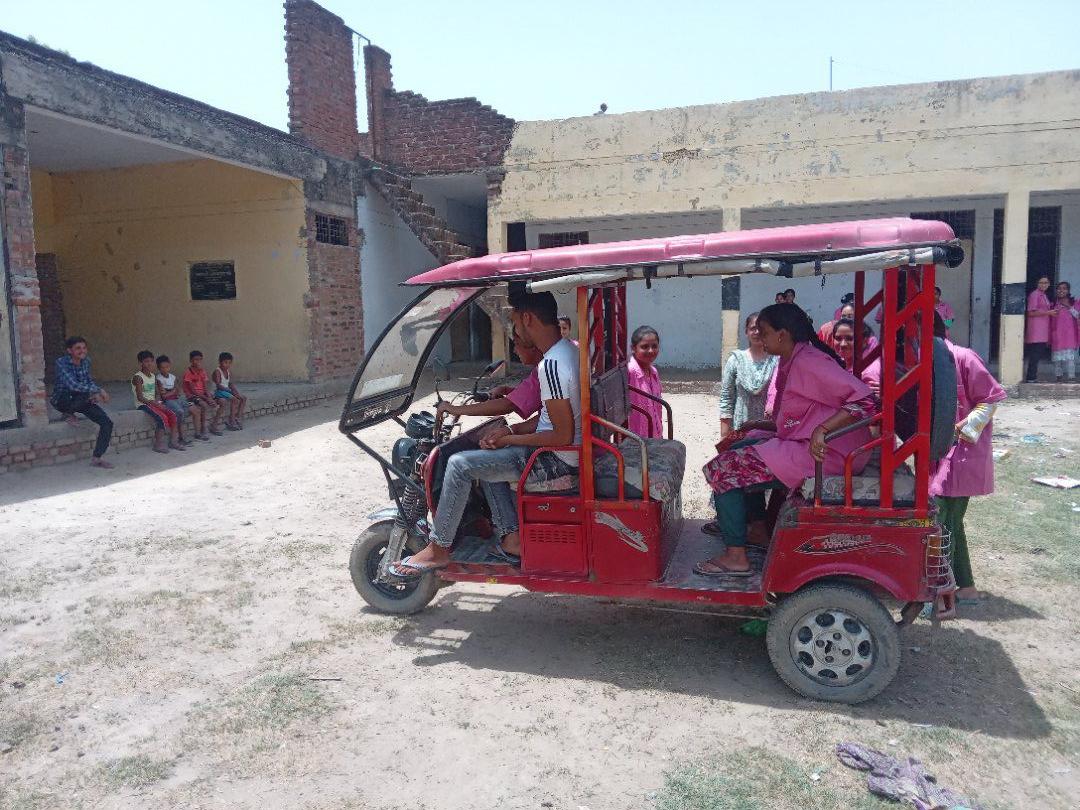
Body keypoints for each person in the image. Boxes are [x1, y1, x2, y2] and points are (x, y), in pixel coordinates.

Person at [389, 289, 581, 576]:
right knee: (487, 452)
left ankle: (439, 549)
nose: (516, 333)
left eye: (515, 323)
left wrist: (509, 438)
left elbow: (562, 436)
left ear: (527, 319)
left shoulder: (551, 365)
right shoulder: (569, 352)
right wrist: (507, 433)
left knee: (459, 464)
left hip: (555, 461)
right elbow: (551, 420)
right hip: (562, 455)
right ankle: (511, 537)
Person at [695, 304, 875, 576]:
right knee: (739, 445)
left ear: (782, 335)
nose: (760, 337)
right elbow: (794, 416)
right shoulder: (791, 358)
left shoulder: (809, 361)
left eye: (764, 332)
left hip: (828, 452)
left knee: (722, 469)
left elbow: (865, 401)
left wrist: (823, 429)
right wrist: (758, 425)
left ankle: (736, 557)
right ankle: (757, 529)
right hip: (808, 444)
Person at [930, 314, 1007, 617]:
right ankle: (967, 588)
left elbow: (990, 399)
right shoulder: (926, 362)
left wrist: (964, 428)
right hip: (938, 454)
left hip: (961, 452)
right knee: (951, 522)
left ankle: (942, 595)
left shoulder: (963, 357)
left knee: (941, 521)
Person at [51, 336, 114, 469]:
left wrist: (94, 393)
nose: (82, 351)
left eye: (84, 348)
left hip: (80, 399)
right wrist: (98, 390)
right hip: (62, 399)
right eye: (78, 348)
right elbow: (73, 385)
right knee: (82, 393)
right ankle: (68, 413)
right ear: (69, 351)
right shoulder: (61, 363)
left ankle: (97, 458)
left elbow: (88, 381)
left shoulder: (86, 361)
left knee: (107, 423)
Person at [718, 313, 778, 437]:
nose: (757, 332)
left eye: (761, 329)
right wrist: (724, 435)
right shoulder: (735, 360)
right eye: (753, 328)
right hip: (740, 429)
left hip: (770, 431)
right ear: (746, 332)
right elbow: (726, 398)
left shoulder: (777, 361)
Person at [132, 350, 183, 453]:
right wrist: (154, 403)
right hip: (143, 404)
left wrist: (158, 401)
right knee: (162, 418)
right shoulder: (138, 377)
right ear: (140, 363)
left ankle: (173, 441)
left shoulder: (152, 376)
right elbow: (140, 397)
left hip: (154, 402)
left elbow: (156, 393)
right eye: (146, 361)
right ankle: (158, 444)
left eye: (151, 361)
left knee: (172, 415)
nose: (149, 364)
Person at [627, 325, 664, 438]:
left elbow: (657, 408)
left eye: (654, 346)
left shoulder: (653, 372)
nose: (650, 350)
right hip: (635, 439)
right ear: (633, 348)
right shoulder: (630, 371)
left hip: (653, 437)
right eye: (644, 347)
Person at [156, 355, 195, 445]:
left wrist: (171, 391)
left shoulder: (173, 377)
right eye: (162, 368)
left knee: (187, 407)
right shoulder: (159, 378)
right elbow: (164, 396)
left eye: (167, 367)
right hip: (168, 401)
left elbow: (178, 391)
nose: (165, 369)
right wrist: (173, 391)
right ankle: (177, 438)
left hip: (176, 399)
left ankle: (181, 437)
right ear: (159, 368)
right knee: (179, 412)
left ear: (169, 366)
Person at [183, 350, 223, 437]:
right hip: (192, 396)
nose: (198, 362)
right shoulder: (188, 373)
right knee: (204, 405)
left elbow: (205, 387)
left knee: (218, 401)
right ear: (191, 361)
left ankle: (213, 426)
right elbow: (193, 391)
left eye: (200, 359)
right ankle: (203, 428)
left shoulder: (202, 371)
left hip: (202, 395)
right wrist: (206, 399)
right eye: (195, 359)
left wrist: (209, 397)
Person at [1024, 276, 1055, 382]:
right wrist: (1048, 312)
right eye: (1041, 282)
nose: (1043, 285)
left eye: (1046, 282)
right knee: (1035, 354)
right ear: (1037, 284)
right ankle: (1031, 377)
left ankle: (1033, 377)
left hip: (1042, 330)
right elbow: (1030, 312)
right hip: (1036, 330)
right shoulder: (1035, 295)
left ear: (1049, 284)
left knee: (1037, 354)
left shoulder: (1043, 295)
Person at [1050, 281, 1079, 381]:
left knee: (1070, 358)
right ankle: (1058, 376)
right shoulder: (1053, 303)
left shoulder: (1074, 302)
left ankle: (1071, 377)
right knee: (1057, 358)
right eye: (1059, 288)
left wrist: (1068, 306)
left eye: (1064, 288)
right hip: (1057, 333)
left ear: (1068, 290)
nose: (1061, 290)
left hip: (1069, 334)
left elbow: (1077, 315)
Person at [212, 352, 248, 430]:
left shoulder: (228, 372)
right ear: (220, 362)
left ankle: (237, 417)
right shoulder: (217, 371)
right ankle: (232, 421)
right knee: (235, 400)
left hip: (226, 391)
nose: (227, 365)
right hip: (219, 392)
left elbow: (230, 384)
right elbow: (218, 385)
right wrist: (229, 391)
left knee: (243, 398)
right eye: (225, 362)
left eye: (229, 363)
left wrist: (236, 392)